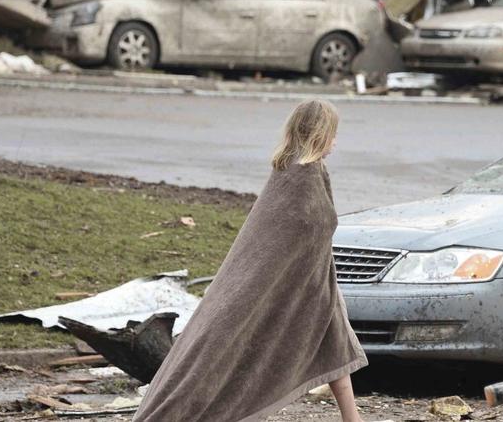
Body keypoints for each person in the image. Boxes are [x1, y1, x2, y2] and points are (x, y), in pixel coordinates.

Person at [132, 99, 368, 422]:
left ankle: (352, 418)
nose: (336, 141)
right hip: (293, 288)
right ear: (319, 134)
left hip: (315, 283)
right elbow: (279, 239)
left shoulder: (306, 170)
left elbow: (312, 234)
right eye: (333, 134)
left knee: (338, 345)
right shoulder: (298, 178)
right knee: (243, 354)